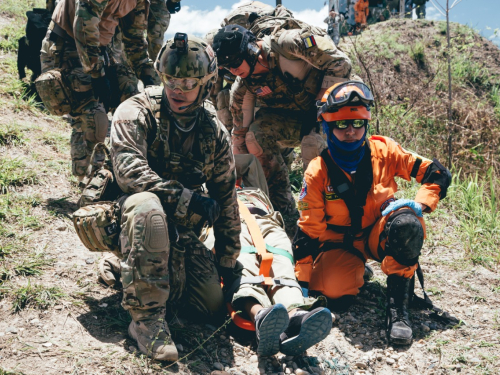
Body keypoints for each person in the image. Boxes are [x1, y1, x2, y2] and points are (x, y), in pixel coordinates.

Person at [107, 33, 242, 360]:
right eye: (170, 80)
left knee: (209, 305)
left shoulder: (213, 131)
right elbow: (129, 171)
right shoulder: (136, 110)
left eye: (187, 82)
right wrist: (186, 199)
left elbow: (226, 197)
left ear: (207, 83)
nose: (176, 90)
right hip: (121, 217)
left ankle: (132, 272)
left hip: (177, 231)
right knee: (148, 205)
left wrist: (228, 261)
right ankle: (146, 323)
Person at [293, 81, 451, 345]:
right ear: (327, 127)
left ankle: (398, 309)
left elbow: (437, 173)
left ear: (366, 124)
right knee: (334, 294)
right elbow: (309, 229)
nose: (351, 131)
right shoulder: (317, 171)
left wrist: (420, 205)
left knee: (407, 223)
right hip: (340, 242)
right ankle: (356, 268)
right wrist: (302, 282)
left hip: (379, 233)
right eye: (342, 124)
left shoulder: (385, 151)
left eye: (357, 123)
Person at [211, 24, 353, 231]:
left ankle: (327, 215)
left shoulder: (289, 45)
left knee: (312, 145)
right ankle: (287, 218)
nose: (233, 70)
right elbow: (239, 134)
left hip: (332, 111)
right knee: (254, 137)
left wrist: (322, 106)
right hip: (296, 121)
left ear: (250, 50)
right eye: (227, 67)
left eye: (234, 62)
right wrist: (237, 175)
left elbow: (340, 64)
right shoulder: (243, 87)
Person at [201, 154, 332, 357]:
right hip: (225, 223)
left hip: (265, 220)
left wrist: (219, 161)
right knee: (242, 263)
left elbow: (248, 161)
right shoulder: (203, 190)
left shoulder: (255, 190)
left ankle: (295, 315)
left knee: (282, 262)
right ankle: (260, 315)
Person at [38, 0, 157, 180]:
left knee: (134, 103)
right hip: (68, 42)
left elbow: (134, 39)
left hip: (106, 47)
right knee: (93, 114)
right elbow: (83, 26)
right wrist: (97, 74)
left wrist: (149, 77)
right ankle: (86, 179)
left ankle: (121, 172)